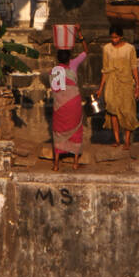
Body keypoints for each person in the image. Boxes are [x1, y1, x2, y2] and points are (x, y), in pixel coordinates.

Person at [97, 23, 139, 147]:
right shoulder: (106, 49)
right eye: (112, 37)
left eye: (116, 37)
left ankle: (127, 140)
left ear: (121, 36)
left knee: (128, 111)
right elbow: (105, 69)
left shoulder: (130, 49)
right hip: (111, 83)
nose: (114, 40)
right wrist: (100, 88)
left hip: (126, 83)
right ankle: (117, 139)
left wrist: (137, 85)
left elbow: (134, 67)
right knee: (113, 111)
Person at [50, 32, 87, 172]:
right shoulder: (73, 65)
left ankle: (56, 164)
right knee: (76, 130)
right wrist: (80, 36)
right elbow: (86, 51)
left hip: (59, 105)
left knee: (58, 132)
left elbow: (54, 89)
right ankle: (75, 162)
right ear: (69, 59)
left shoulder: (53, 71)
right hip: (73, 104)